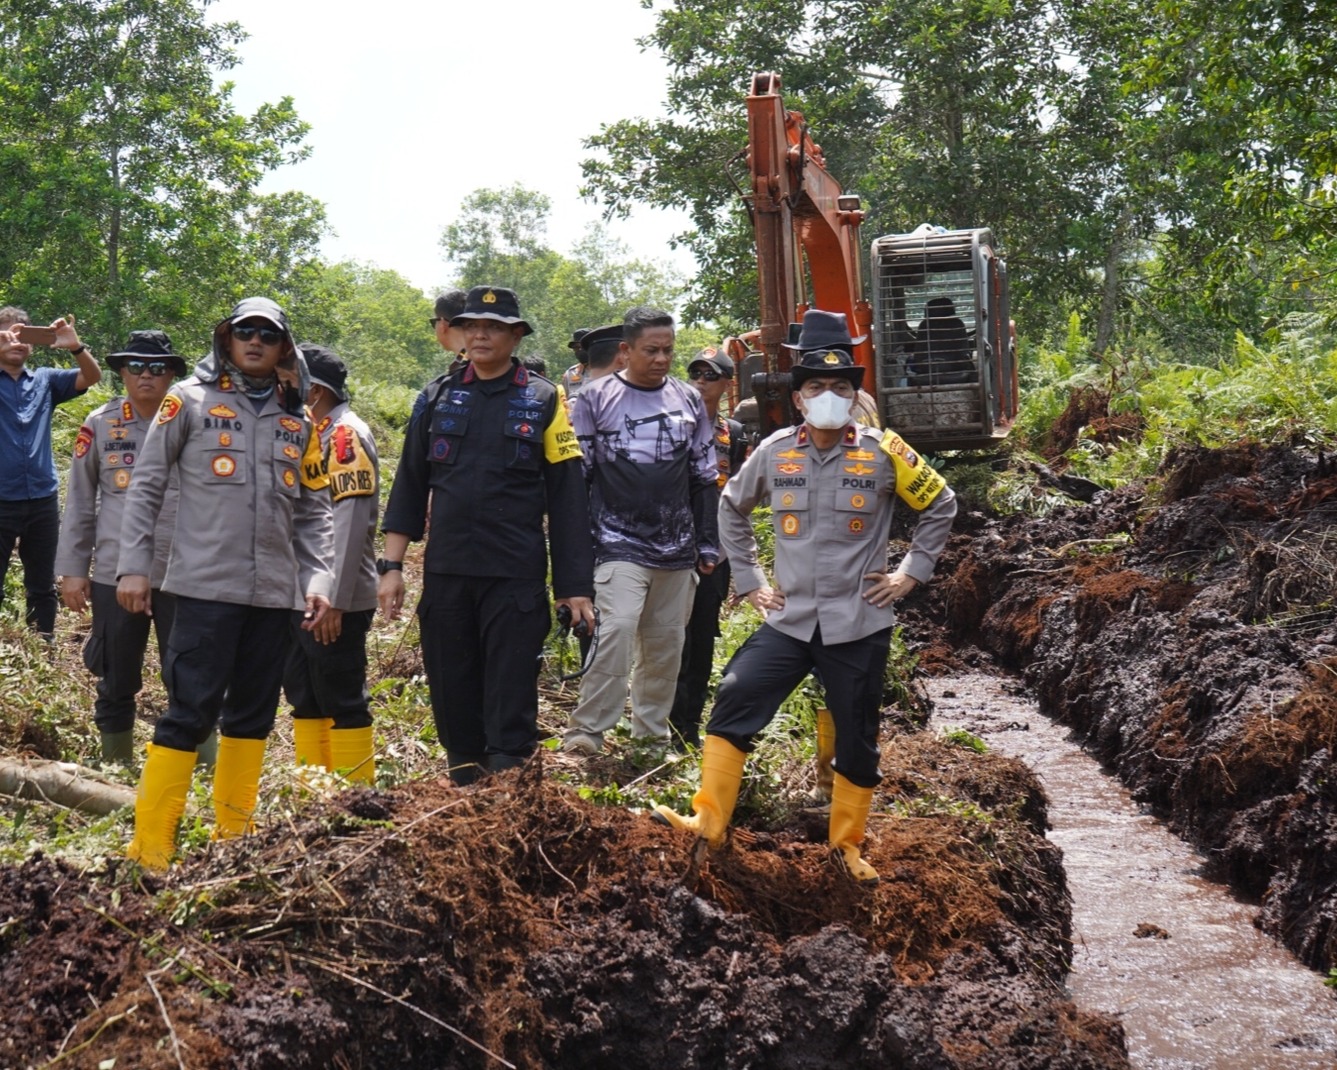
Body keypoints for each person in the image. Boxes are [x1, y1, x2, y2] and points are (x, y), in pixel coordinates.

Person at [653, 309, 957, 886]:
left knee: (856, 733)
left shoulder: (885, 450)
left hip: (859, 621)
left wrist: (909, 574)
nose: (826, 396)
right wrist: (751, 580)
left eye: (839, 388)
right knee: (738, 694)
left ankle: (846, 848)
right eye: (815, 387)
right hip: (790, 619)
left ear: (853, 395)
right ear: (798, 399)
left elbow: (941, 505)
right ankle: (708, 822)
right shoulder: (773, 452)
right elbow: (730, 509)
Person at [117, 297, 334, 869]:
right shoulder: (186, 401)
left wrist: (319, 578)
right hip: (200, 588)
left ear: (285, 346)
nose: (255, 341)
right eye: (245, 332)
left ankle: (232, 842)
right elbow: (145, 486)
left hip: (274, 596)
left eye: (268, 333)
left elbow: (314, 510)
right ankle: (152, 851)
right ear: (227, 340)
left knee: (253, 716)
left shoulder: (299, 420)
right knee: (189, 711)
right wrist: (134, 567)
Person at [379, 285, 594, 784]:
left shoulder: (543, 399)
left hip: (513, 576)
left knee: (509, 692)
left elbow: (567, 500)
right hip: (448, 572)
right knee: (451, 691)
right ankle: (463, 794)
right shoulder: (436, 396)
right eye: (471, 325)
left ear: (516, 336)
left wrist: (574, 586)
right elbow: (409, 483)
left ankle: (507, 799)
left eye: (494, 327)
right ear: (457, 334)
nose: (480, 334)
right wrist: (391, 567)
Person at [561, 307, 720, 756]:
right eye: (651, 350)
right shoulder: (594, 400)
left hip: (677, 545)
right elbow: (580, 478)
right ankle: (587, 731)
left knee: (666, 644)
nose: (661, 359)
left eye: (668, 350)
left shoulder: (688, 400)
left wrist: (707, 542)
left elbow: (704, 475)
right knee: (617, 630)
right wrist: (577, 551)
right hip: (616, 540)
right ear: (626, 351)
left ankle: (650, 737)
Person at [54, 331, 214, 768]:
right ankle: (115, 767)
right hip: (113, 570)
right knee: (115, 675)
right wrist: (72, 569)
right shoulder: (100, 422)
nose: (147, 376)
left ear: (172, 375)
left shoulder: (198, 421)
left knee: (191, 676)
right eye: (137, 366)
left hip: (182, 570)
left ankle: (200, 769)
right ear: (121, 372)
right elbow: (81, 500)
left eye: (157, 368)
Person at [282, 343, 379, 784]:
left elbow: (349, 522)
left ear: (314, 390)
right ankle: (315, 795)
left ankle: (356, 803)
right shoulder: (311, 431)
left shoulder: (343, 436)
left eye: (288, 379)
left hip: (337, 597)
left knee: (341, 697)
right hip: (303, 592)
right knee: (305, 694)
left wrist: (335, 599)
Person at [0, 307, 101, 637]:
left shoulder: (44, 380)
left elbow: (92, 377)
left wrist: (75, 346)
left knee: (42, 585)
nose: (18, 341)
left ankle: (43, 645)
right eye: (8, 333)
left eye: (24, 334)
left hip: (42, 499)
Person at [668, 347, 747, 750]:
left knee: (701, 638)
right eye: (695, 373)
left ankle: (687, 729)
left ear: (726, 383)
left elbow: (738, 493)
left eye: (710, 374)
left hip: (715, 552)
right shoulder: (670, 425)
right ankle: (659, 727)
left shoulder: (733, 432)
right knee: (668, 639)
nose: (701, 380)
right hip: (671, 548)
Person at [909, 297, 974, 385]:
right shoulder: (957, 324)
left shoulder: (924, 326)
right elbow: (964, 355)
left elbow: (918, 357)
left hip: (926, 373)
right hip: (957, 373)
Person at [559, 328, 591, 399]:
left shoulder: (605, 370)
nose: (579, 350)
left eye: (582, 346)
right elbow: (564, 401)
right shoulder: (570, 373)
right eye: (576, 347)